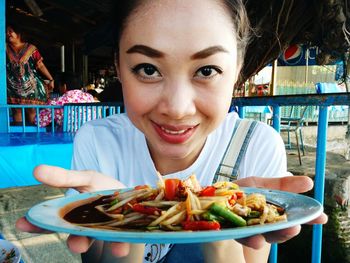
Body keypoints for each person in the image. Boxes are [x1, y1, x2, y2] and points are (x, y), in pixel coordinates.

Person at [16, 0, 328, 262]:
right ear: (118, 66)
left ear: (237, 69)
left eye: (207, 71)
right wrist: (124, 220)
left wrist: (221, 220)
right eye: (148, 69)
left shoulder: (256, 145)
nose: (177, 108)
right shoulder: (98, 141)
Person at [6, 22, 54, 124]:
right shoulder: (4, 48)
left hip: (32, 87)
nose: (8, 34)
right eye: (6, 32)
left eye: (10, 31)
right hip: (12, 87)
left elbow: (40, 65)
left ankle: (33, 137)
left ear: (18, 33)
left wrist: (51, 79)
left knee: (31, 111)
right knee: (16, 110)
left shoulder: (31, 48)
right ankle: (18, 138)